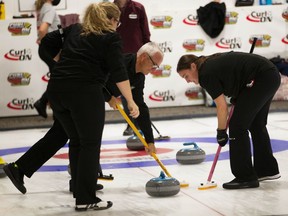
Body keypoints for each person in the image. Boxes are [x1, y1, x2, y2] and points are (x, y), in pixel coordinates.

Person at [5, 2, 140, 212]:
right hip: (84, 94)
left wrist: (63, 62)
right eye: (118, 22)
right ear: (112, 21)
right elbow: (118, 71)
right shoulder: (110, 37)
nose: (118, 26)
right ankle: (85, 197)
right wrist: (130, 100)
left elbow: (46, 43)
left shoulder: (75, 29)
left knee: (76, 139)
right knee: (89, 143)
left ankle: (79, 189)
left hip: (57, 90)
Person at [176, 51, 281, 189]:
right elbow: (234, 73)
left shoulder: (205, 74)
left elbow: (221, 106)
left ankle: (245, 177)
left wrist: (221, 131)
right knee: (256, 124)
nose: (187, 80)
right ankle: (266, 170)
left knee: (237, 126)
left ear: (193, 67)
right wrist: (240, 92)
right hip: (270, 75)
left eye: (186, 76)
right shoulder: (208, 64)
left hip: (262, 77)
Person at [105, 41, 163, 155]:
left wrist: (150, 140)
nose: (154, 70)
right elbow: (93, 82)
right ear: (144, 57)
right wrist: (108, 97)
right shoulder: (119, 63)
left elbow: (140, 106)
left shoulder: (139, 76)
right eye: (154, 65)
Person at [114, 0, 151, 136]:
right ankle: (131, 123)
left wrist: (147, 55)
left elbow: (146, 34)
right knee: (124, 93)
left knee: (136, 94)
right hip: (117, 57)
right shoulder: (109, 8)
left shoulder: (138, 8)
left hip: (137, 59)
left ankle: (140, 123)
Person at [33, 0, 61, 118]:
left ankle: (46, 103)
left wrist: (41, 40)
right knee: (58, 78)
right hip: (49, 49)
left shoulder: (44, 7)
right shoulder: (49, 8)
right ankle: (43, 102)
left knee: (57, 77)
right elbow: (43, 29)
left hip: (47, 49)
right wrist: (43, 40)